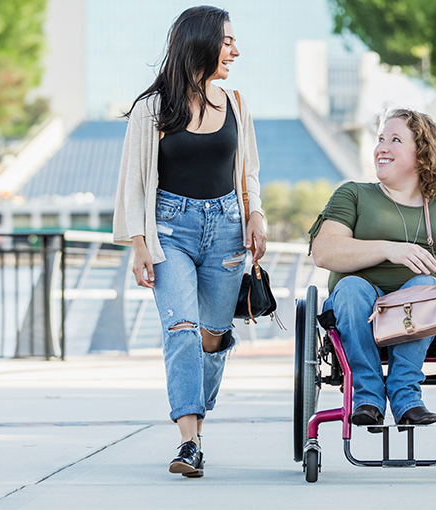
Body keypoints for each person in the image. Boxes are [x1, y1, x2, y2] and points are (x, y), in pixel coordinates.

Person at [113, 6, 266, 477]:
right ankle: (188, 441)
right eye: (227, 42)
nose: (235, 51)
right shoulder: (153, 109)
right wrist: (138, 243)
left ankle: (197, 418)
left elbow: (249, 170)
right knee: (180, 329)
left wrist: (255, 213)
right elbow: (134, 183)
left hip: (227, 229)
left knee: (212, 337)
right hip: (169, 230)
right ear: (200, 42)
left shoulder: (235, 102)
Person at [309, 108, 436, 431]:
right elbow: (323, 252)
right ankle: (367, 396)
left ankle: (406, 395)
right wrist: (390, 249)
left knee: (423, 284)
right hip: (362, 313)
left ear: (422, 155)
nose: (382, 147)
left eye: (395, 140)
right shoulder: (353, 195)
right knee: (349, 289)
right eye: (380, 139)